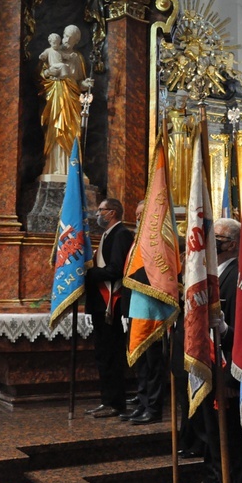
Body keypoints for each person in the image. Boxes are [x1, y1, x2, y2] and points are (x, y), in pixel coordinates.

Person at [187, 218, 242, 483]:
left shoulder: (240, 275)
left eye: (218, 237)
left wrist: (230, 377)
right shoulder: (211, 272)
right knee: (210, 429)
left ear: (234, 244)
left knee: (233, 437)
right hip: (209, 364)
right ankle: (215, 477)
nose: (211, 242)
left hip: (228, 369)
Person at [84, 199, 134, 418]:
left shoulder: (121, 234)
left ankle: (115, 403)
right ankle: (107, 401)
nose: (98, 213)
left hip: (110, 304)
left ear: (112, 213)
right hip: (100, 304)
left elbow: (116, 270)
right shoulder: (107, 235)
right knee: (102, 355)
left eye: (101, 210)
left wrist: (88, 273)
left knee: (111, 355)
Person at [119, 200, 165, 424]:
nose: (138, 218)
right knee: (142, 363)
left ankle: (154, 408)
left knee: (154, 363)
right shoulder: (137, 241)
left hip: (152, 312)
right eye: (136, 214)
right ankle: (143, 401)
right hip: (136, 310)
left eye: (142, 214)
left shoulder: (158, 243)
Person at [39, 24, 94, 176]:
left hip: (71, 99)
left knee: (72, 130)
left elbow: (79, 82)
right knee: (56, 128)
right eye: (66, 35)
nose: (67, 39)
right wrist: (49, 72)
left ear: (76, 41)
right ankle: (53, 167)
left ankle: (72, 167)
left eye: (71, 37)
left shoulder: (78, 58)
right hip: (56, 95)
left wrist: (86, 84)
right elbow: (41, 75)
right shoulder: (53, 51)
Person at [167, 90, 196, 206]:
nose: (181, 103)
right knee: (172, 171)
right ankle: (172, 201)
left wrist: (190, 125)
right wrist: (166, 127)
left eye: (183, 101)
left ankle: (186, 201)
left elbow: (197, 132)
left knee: (185, 171)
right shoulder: (169, 114)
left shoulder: (190, 115)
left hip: (185, 147)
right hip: (173, 144)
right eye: (179, 101)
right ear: (175, 100)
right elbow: (162, 132)